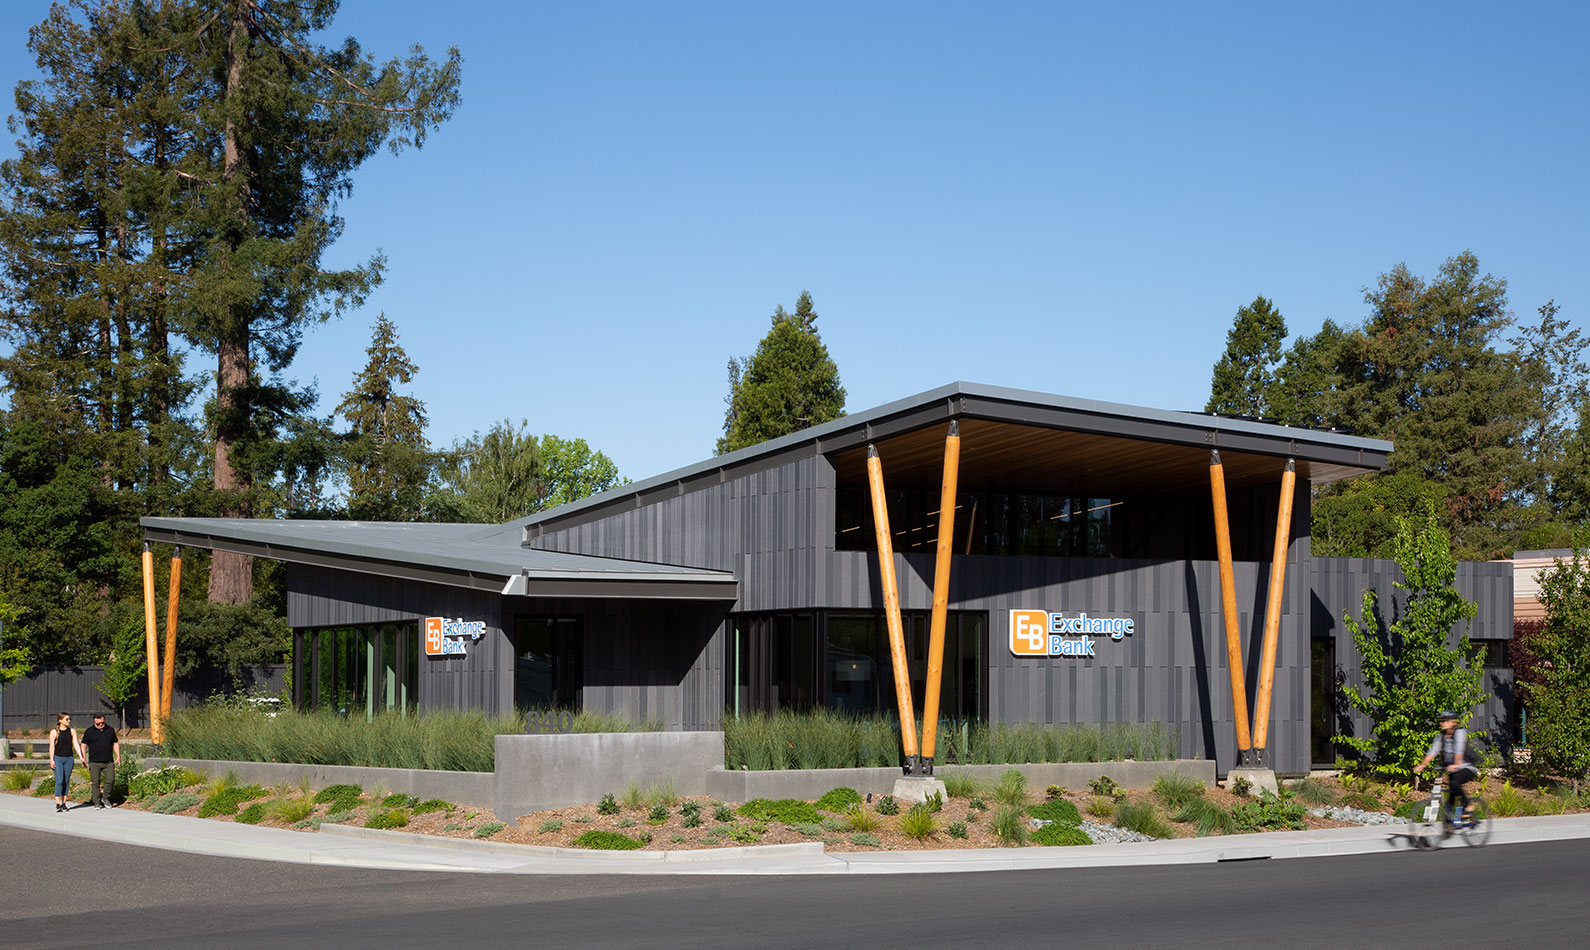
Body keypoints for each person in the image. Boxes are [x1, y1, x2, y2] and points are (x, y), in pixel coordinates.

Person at [1415, 710, 1477, 826]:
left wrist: (1456, 764)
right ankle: (1448, 825)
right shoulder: (1441, 737)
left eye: (1445, 721)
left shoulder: (1459, 733)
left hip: (1467, 768)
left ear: (1453, 722)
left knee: (1454, 783)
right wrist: (1422, 765)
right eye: (1441, 721)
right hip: (1453, 770)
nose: (1442, 723)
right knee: (1450, 798)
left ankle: (1468, 805)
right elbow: (1432, 752)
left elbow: (1459, 749)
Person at [79, 713, 120, 809]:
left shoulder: (110, 730)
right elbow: (84, 744)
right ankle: (96, 802)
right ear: (94, 722)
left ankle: (105, 798)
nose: (101, 725)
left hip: (108, 761)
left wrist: (118, 756)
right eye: (98, 724)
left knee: (111, 779)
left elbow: (115, 743)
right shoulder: (89, 731)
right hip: (94, 761)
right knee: (95, 782)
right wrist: (83, 757)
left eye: (102, 723)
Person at [47, 713, 85, 813]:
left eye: (69, 719)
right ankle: (57, 803)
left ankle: (64, 803)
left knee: (66, 781)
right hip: (58, 758)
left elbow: (76, 744)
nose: (69, 721)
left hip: (69, 758)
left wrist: (81, 757)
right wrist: (52, 760)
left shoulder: (72, 731)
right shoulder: (54, 732)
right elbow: (51, 747)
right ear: (60, 720)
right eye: (67, 719)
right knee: (59, 780)